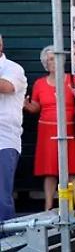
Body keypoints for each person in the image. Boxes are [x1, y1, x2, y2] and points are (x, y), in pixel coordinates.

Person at [24, 46, 75, 211]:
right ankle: (48, 207)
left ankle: (73, 207)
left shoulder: (73, 80)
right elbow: (36, 108)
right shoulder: (39, 84)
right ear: (46, 63)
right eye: (50, 59)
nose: (53, 62)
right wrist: (26, 105)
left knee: (72, 170)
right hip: (47, 132)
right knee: (50, 171)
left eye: (56, 58)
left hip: (70, 130)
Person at [0, 34, 27, 223]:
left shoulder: (13, 69)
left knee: (1, 196)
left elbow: (6, 87)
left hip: (4, 139)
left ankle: (7, 245)